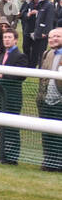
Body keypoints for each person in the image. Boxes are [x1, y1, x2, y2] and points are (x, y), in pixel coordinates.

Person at [0, 28, 28, 165]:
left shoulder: (20, 56)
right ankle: (3, 155)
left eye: (9, 37)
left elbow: (21, 76)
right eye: (5, 37)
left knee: (12, 128)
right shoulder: (2, 54)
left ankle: (12, 157)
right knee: (3, 127)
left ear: (15, 39)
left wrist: (2, 75)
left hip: (13, 96)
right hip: (2, 95)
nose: (6, 40)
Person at [38, 27, 62, 172]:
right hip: (46, 101)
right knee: (47, 134)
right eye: (51, 37)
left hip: (60, 102)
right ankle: (49, 161)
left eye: (57, 36)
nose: (53, 39)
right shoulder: (47, 54)